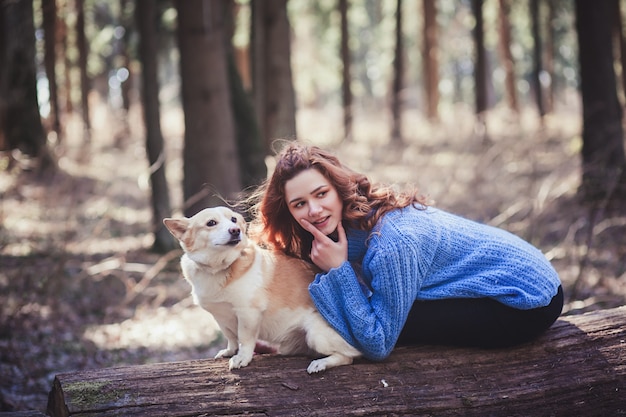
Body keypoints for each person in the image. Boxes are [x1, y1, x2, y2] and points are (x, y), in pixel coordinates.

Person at [250, 142, 563, 361]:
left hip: (525, 301)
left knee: (386, 325)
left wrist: (338, 270)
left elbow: (378, 343)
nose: (314, 210)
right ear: (288, 211)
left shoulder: (392, 241)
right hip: (516, 284)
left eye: (321, 194)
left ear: (339, 188)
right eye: (299, 203)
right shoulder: (343, 232)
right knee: (369, 309)